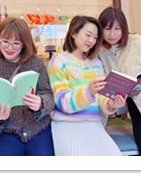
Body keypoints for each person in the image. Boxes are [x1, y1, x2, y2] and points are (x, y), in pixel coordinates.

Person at [48, 16, 126, 155]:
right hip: (68, 126)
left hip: (94, 126)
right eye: (88, 35)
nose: (91, 40)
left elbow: (102, 98)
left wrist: (112, 104)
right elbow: (62, 102)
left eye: (95, 37)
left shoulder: (96, 64)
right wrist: (88, 92)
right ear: (74, 33)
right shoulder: (59, 61)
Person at [0, 17, 55, 156]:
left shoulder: (37, 63)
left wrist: (41, 103)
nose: (10, 47)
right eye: (5, 42)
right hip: (6, 132)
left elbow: (48, 94)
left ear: (24, 44)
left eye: (16, 43)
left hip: (37, 129)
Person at [98, 7, 141, 156]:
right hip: (132, 108)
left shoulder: (138, 42)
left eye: (117, 28)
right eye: (107, 29)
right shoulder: (101, 53)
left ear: (124, 28)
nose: (112, 34)